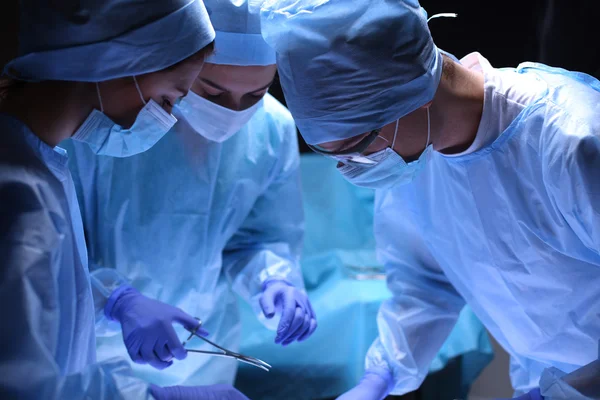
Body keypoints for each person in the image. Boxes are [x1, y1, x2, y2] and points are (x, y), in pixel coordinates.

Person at [259, 0, 600, 399]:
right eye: (335, 157)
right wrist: (381, 375)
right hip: (547, 379)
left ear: (412, 94)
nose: (353, 169)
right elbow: (425, 284)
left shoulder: (574, 141)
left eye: (357, 148)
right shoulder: (415, 158)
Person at [0, 0, 251, 398]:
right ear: (121, 61)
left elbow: (40, 301)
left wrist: (113, 301)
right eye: (169, 98)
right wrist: (152, 397)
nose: (165, 119)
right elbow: (23, 388)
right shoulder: (16, 192)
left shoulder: (40, 164)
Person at [62, 0, 317, 388]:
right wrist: (115, 301)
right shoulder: (114, 118)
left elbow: (260, 235)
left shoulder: (271, 127)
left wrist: (273, 279)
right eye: (212, 92)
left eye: (254, 95)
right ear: (177, 63)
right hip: (90, 348)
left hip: (203, 348)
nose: (233, 111)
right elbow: (52, 249)